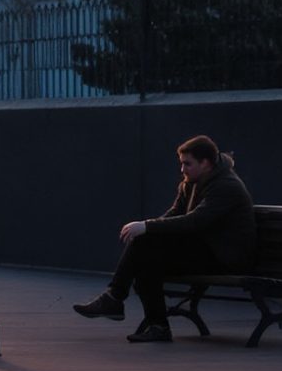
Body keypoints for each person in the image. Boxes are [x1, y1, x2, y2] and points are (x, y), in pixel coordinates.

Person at [74, 135, 257, 343]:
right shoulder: (191, 182)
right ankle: (155, 325)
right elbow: (174, 214)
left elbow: (195, 221)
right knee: (145, 255)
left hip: (225, 258)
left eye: (187, 164)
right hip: (203, 251)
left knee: (145, 245)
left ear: (205, 163)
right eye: (181, 164)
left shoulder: (226, 186)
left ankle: (116, 298)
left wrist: (147, 227)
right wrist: (147, 228)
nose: (182, 170)